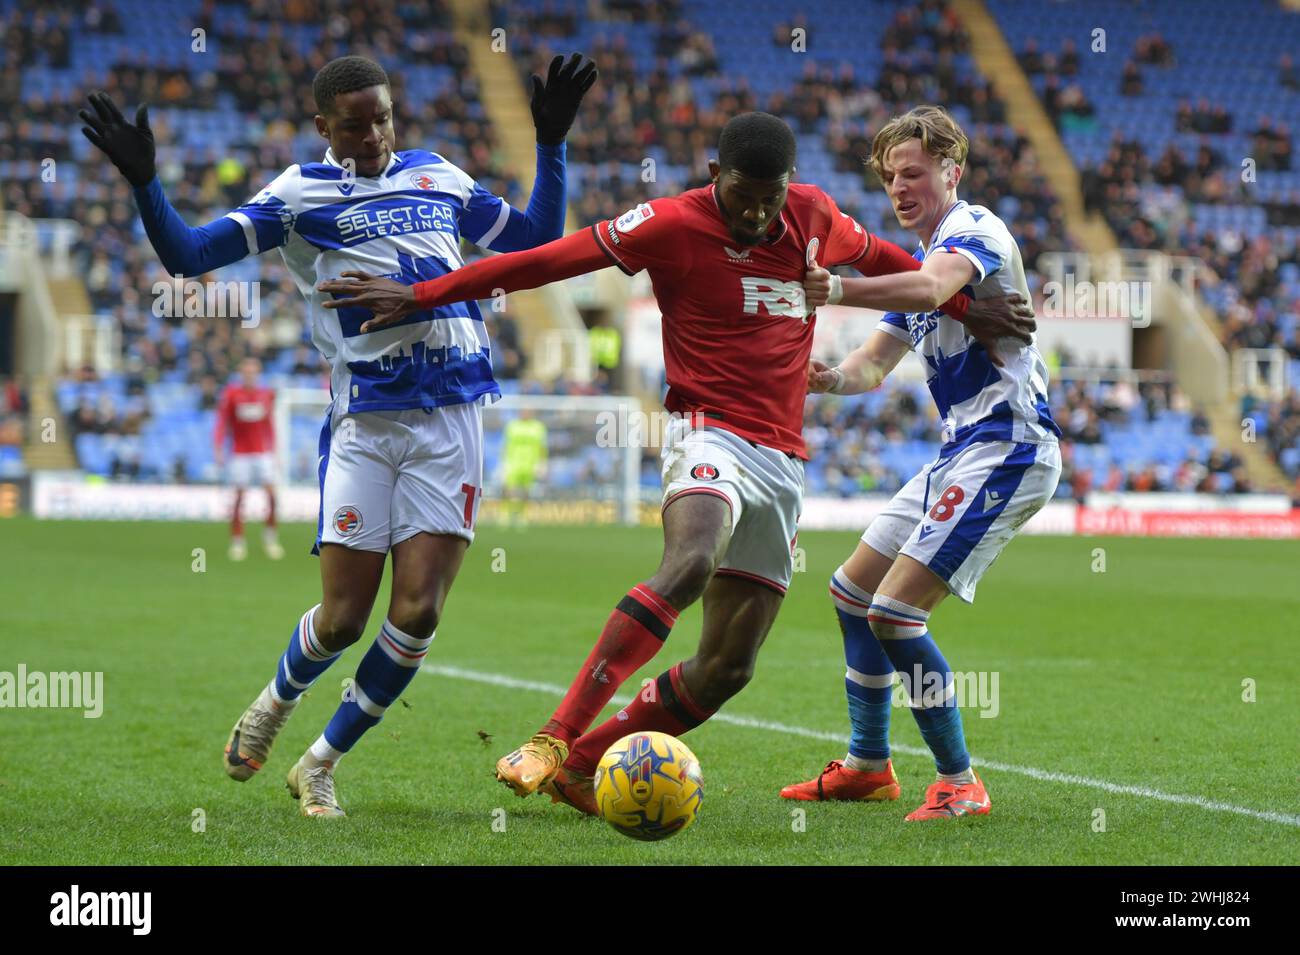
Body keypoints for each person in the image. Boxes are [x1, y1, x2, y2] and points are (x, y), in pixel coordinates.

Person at [318, 111, 1037, 815]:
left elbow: (899, 266)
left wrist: (973, 310)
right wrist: (421, 293)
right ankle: (554, 737)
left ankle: (583, 765)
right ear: (714, 175)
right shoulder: (667, 223)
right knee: (692, 558)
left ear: (790, 185)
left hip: (783, 456)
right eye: (742, 196)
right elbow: (545, 261)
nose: (757, 214)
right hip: (707, 431)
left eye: (771, 198)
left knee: (729, 666)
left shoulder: (814, 215)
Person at [79, 51, 597, 817]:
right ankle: (275, 699)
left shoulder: (437, 175)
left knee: (418, 610)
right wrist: (144, 183)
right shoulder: (298, 195)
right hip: (366, 424)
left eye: (382, 118)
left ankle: (319, 763)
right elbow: (187, 255)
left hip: (450, 416)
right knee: (344, 617)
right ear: (324, 125)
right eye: (354, 126)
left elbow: (533, 247)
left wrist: (550, 143)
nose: (373, 137)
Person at [779, 105, 1062, 820]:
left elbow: (934, 289)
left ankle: (960, 782)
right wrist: (827, 378)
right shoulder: (916, 264)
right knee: (851, 593)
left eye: (913, 172)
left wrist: (836, 286)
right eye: (890, 177)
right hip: (959, 450)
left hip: (1008, 447)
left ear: (951, 172)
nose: (899, 187)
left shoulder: (974, 230)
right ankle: (870, 765)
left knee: (896, 612)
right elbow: (874, 364)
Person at [214, 356, 282, 560]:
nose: (250, 375)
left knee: (271, 496)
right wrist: (218, 447)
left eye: (254, 372)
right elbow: (222, 423)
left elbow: (269, 424)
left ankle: (270, 538)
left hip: (262, 453)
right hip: (239, 453)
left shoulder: (266, 394)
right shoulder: (232, 394)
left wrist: (275, 450)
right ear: (241, 373)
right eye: (247, 372)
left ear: (258, 374)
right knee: (238, 498)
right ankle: (237, 541)